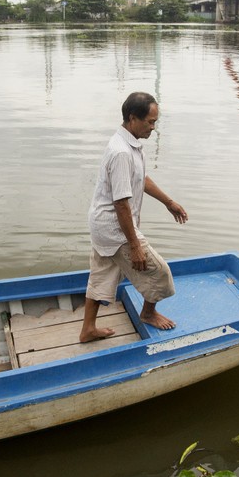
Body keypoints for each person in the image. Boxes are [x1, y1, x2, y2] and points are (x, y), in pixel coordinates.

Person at [80, 92, 188, 343]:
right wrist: (134, 245)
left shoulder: (131, 145)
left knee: (102, 274)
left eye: (155, 122)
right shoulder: (121, 153)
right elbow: (120, 203)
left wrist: (168, 202)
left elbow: (141, 179)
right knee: (160, 272)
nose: (153, 127)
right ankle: (148, 314)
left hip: (103, 226)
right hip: (114, 228)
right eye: (150, 122)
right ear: (132, 118)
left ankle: (88, 329)